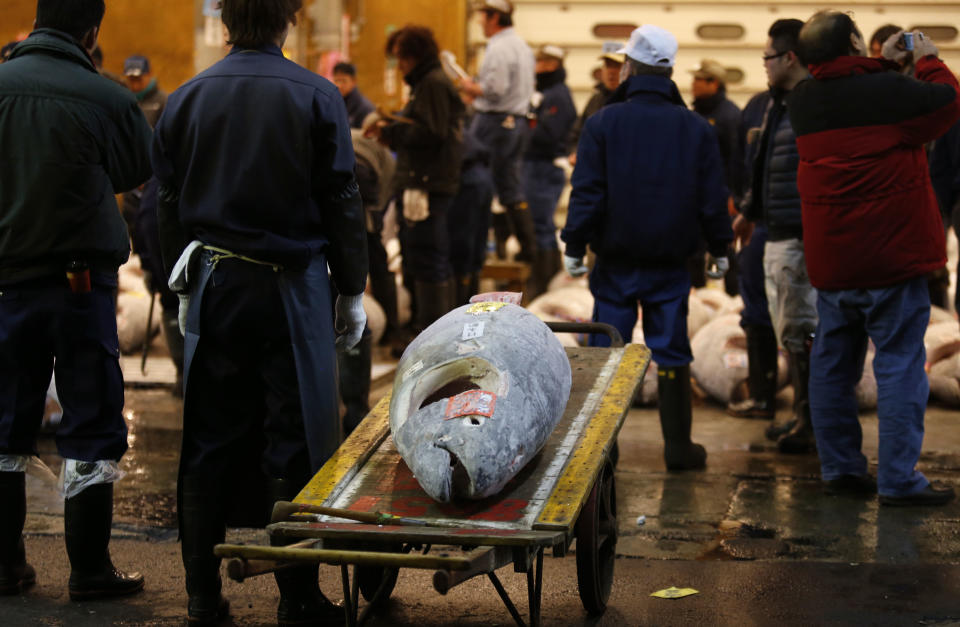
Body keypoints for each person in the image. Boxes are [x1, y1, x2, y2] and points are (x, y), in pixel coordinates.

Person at [151, 0, 368, 622]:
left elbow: (166, 196)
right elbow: (341, 194)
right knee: (292, 434)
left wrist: (177, 281)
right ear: (287, 21)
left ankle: (202, 595)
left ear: (228, 23)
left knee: (208, 436)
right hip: (291, 289)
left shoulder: (186, 96)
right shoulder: (317, 94)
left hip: (216, 287)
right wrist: (351, 287)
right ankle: (297, 598)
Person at [0, 0, 152, 600]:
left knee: (6, 417)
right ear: (92, 29)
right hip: (80, 286)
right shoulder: (109, 97)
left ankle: (6, 567)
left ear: (37, 20)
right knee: (90, 418)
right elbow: (134, 169)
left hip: (6, 282)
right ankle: (89, 571)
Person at [789, 12, 960, 504]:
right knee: (900, 366)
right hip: (890, 260)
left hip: (834, 265)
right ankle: (900, 481)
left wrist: (877, 65)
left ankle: (841, 469)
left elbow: (852, 91)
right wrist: (926, 60)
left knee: (832, 367)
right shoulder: (887, 93)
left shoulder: (805, 100)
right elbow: (947, 104)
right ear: (854, 42)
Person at [561, 25, 732, 471]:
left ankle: (603, 452)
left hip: (615, 262)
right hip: (671, 263)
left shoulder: (602, 122)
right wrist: (721, 247)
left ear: (630, 67)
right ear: (670, 71)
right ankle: (678, 447)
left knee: (609, 350)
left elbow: (588, 192)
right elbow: (712, 197)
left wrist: (574, 243)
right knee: (672, 347)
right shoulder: (695, 127)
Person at [735, 18, 818, 454]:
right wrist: (749, 212)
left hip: (800, 237)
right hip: (776, 232)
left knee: (803, 330)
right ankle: (802, 416)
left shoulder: (809, 103)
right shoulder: (775, 104)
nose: (763, 64)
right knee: (791, 329)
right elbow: (764, 165)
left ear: (789, 57)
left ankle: (810, 422)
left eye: (768, 56)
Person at [373, 25, 464, 334]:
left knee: (428, 256)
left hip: (427, 184)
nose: (399, 66)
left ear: (416, 56)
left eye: (402, 58)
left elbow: (433, 131)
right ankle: (424, 327)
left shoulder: (433, 84)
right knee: (420, 255)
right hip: (422, 181)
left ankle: (432, 331)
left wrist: (392, 133)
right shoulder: (426, 83)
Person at [458, 0, 536, 262]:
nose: (479, 22)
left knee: (478, 182)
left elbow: (495, 89)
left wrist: (469, 86)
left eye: (482, 16)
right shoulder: (521, 45)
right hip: (516, 121)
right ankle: (526, 247)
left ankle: (476, 246)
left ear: (494, 18)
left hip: (495, 123)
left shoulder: (500, 47)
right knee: (508, 185)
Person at [727, 89, 779, 422]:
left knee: (805, 321)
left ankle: (811, 413)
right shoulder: (759, 105)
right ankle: (763, 396)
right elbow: (742, 164)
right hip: (760, 225)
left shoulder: (815, 99)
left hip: (798, 229)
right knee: (757, 311)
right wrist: (744, 207)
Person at [523, 44, 576, 298]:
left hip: (544, 166)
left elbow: (548, 133)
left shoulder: (557, 95)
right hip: (535, 165)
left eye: (540, 61)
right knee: (536, 224)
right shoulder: (545, 92)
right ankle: (540, 280)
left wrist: (523, 132)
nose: (536, 66)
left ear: (552, 64)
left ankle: (543, 285)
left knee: (541, 224)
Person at [568, 41, 624, 164]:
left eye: (617, 65)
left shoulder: (631, 100)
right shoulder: (596, 99)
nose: (612, 71)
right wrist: (575, 152)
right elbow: (578, 132)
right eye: (608, 65)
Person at [333, 61, 375, 129]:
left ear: (353, 82)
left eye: (343, 81)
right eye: (336, 80)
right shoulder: (334, 102)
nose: (339, 85)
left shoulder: (364, 107)